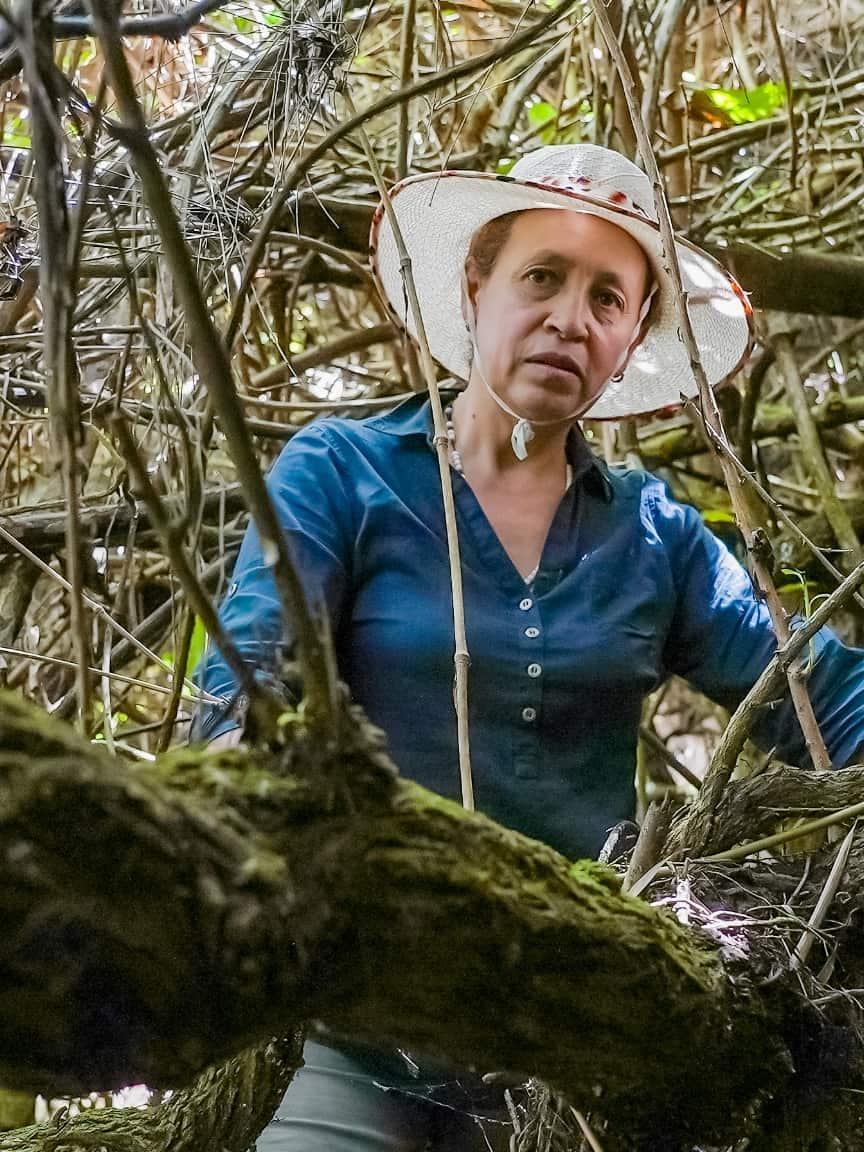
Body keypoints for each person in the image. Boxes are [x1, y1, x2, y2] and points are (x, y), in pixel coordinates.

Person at [193, 145, 864, 1151]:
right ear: (476, 286)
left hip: (581, 1051)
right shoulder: (342, 474)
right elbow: (241, 695)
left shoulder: (657, 533)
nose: (570, 318)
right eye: (541, 277)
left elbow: (824, 705)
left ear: (632, 332)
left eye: (608, 297)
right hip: (355, 1032)